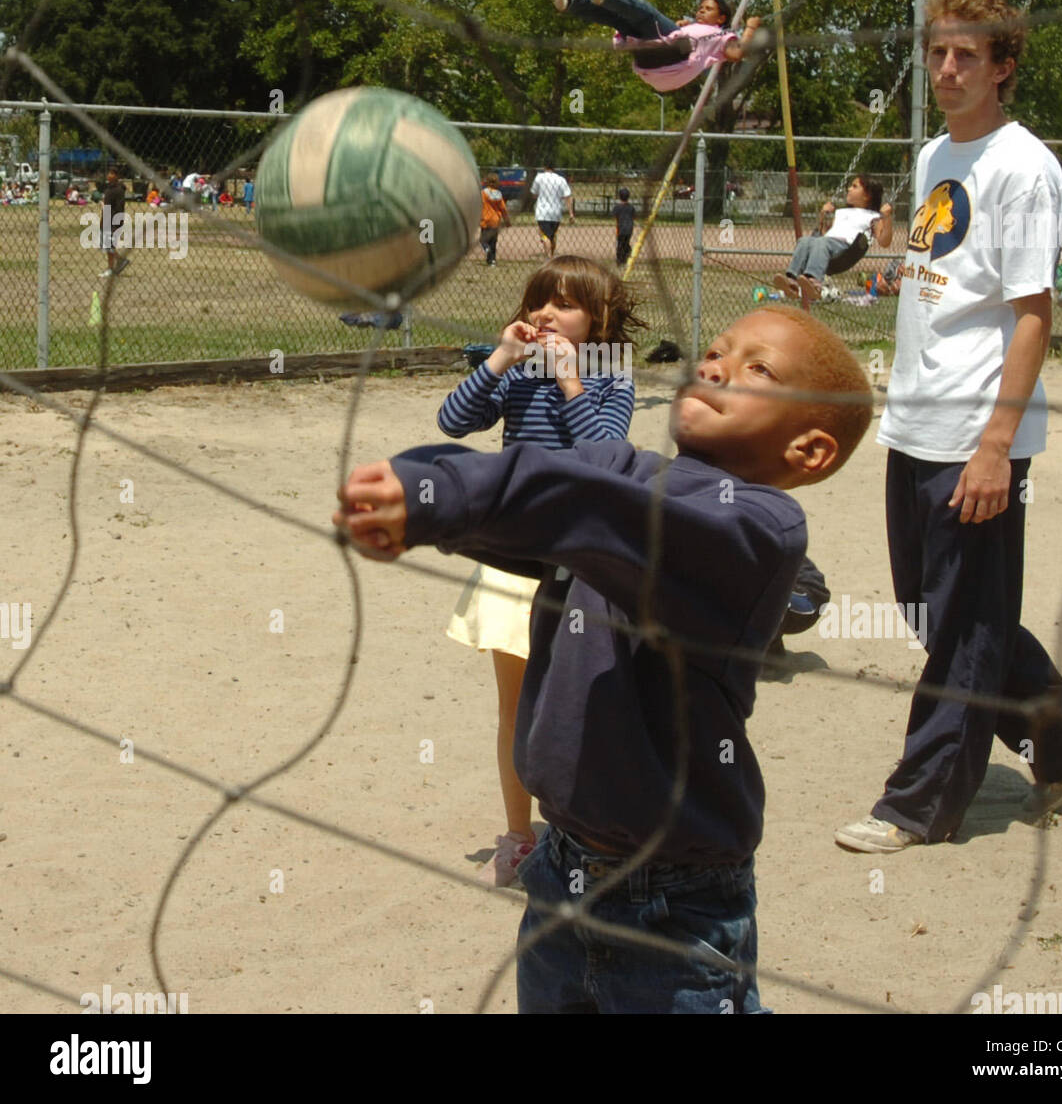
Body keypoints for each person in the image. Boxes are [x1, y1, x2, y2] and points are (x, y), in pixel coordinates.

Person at [335, 305, 873, 1013]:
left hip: (676, 902)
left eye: (757, 368)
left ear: (808, 450)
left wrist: (458, 497)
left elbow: (601, 516)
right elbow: (534, 507)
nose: (716, 366)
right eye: (715, 349)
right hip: (560, 872)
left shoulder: (759, 530)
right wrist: (422, 493)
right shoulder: (621, 469)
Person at [836, 0, 1062, 856]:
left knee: (960, 627)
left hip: (978, 435)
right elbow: (938, 278)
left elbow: (1033, 313)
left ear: (1002, 66)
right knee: (935, 613)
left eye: (968, 56)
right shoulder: (931, 157)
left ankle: (921, 803)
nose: (948, 68)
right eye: (937, 53)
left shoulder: (1021, 166)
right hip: (914, 421)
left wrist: (996, 445)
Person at [436, 256, 643, 888]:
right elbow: (452, 421)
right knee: (517, 707)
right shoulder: (517, 371)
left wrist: (572, 382)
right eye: (539, 301)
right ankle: (520, 836)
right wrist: (499, 359)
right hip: (513, 559)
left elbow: (604, 456)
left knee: (580, 700)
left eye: (566, 305)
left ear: (600, 322)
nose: (546, 314)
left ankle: (586, 836)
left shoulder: (613, 378)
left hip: (579, 560)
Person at [552, 0, 762, 93]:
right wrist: (684, 26)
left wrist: (750, 27)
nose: (701, 10)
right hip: (653, 65)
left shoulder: (721, 36)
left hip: (675, 60)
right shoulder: (693, 28)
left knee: (644, 12)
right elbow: (685, 34)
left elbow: (737, 54)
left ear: (721, 19)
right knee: (620, 21)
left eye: (708, 9)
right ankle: (573, 0)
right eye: (700, 7)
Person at [774, 176, 894, 299]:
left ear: (867, 195)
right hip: (828, 245)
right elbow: (824, 233)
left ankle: (814, 282)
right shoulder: (841, 212)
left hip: (847, 249)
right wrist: (823, 215)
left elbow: (884, 242)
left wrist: (887, 218)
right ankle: (792, 281)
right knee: (804, 241)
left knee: (821, 243)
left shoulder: (873, 217)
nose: (849, 189)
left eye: (854, 186)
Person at [529, 166, 574, 259]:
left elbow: (533, 193)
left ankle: (548, 258)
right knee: (552, 235)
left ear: (545, 167)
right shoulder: (561, 179)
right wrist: (571, 213)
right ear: (554, 168)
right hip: (556, 212)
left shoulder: (539, 177)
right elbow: (568, 196)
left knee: (545, 236)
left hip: (542, 212)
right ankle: (552, 256)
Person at [99, 169, 129, 277]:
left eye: (112, 173)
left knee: (109, 246)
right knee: (108, 246)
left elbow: (119, 208)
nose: (109, 175)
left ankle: (111, 268)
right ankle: (120, 261)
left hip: (112, 220)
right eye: (109, 173)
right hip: (106, 218)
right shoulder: (109, 189)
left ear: (117, 176)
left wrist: (116, 224)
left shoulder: (118, 190)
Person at [478, 173, 511, 267]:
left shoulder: (483, 193)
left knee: (482, 240)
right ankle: (492, 261)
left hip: (485, 219)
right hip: (495, 220)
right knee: (493, 242)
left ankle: (486, 249)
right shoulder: (499, 194)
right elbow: (503, 209)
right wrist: (507, 220)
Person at [612, 185, 635, 268]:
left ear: (619, 196)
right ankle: (627, 253)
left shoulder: (617, 207)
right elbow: (633, 216)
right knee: (625, 242)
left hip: (621, 228)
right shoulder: (631, 207)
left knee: (620, 245)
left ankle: (620, 261)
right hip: (629, 228)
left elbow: (615, 217)